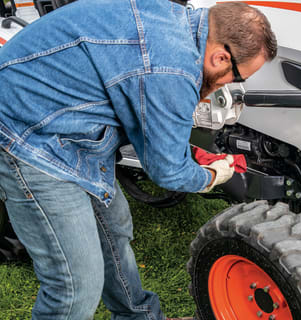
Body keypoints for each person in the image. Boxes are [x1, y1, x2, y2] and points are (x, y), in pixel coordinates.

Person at [0, 0, 277, 319]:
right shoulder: (170, 66)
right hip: (30, 137)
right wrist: (213, 176)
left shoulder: (173, 20)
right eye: (237, 76)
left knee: (114, 229)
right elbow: (168, 172)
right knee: (76, 286)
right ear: (220, 57)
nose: (230, 84)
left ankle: (138, 316)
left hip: (68, 125)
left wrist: (186, 146)